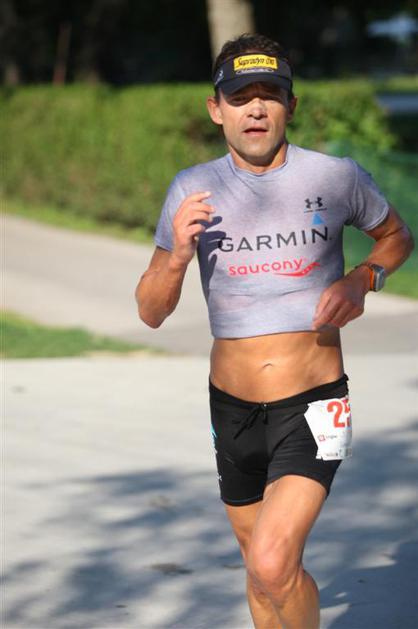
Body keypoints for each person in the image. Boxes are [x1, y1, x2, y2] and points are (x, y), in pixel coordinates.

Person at [135, 33, 414, 629]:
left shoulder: (336, 177)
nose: (256, 108)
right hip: (232, 409)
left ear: (291, 104)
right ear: (217, 109)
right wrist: (178, 254)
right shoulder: (191, 188)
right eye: (240, 97)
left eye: (270, 94)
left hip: (313, 404)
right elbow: (151, 311)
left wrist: (363, 278)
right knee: (261, 571)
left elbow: (396, 237)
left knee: (271, 560)